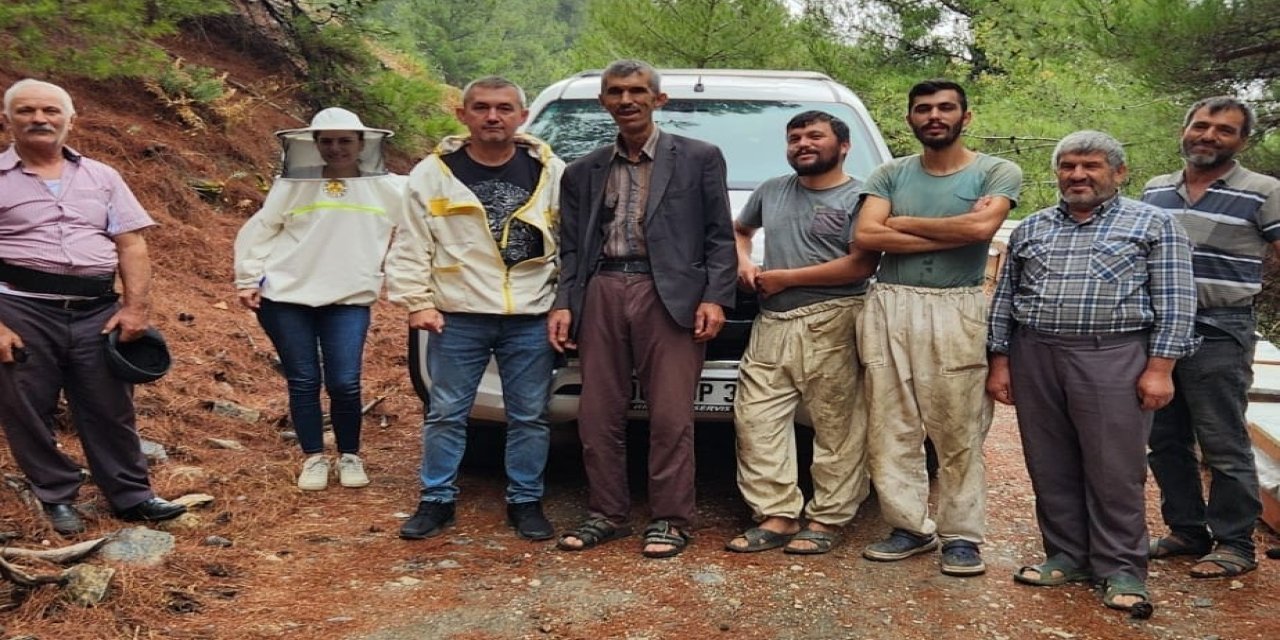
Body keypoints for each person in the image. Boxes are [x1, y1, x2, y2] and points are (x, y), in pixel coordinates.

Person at [987, 130, 1198, 612]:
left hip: (1114, 356)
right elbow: (1005, 298)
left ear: (1119, 173)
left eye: (1091, 165)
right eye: (1068, 166)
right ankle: (1066, 555)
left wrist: (1160, 368)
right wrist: (1001, 360)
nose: (1077, 175)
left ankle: (1121, 568)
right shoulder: (1032, 228)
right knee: (1049, 461)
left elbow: (1177, 301)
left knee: (1115, 467)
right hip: (1036, 353)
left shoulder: (1153, 224)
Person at [549, 59, 737, 558]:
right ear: (603, 102)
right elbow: (571, 247)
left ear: (659, 99)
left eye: (637, 91)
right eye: (615, 92)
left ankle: (671, 519)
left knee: (672, 416)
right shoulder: (583, 170)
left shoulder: (699, 157)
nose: (626, 100)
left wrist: (715, 296)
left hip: (669, 294)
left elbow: (720, 235)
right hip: (604, 289)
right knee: (596, 415)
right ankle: (606, 513)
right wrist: (566, 302)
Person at [0, 78, 186, 535]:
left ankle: (132, 496)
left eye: (50, 111)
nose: (39, 119)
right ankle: (56, 494)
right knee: (26, 405)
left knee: (110, 405)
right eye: (26, 111)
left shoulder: (103, 176)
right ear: (8, 120)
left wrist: (135, 308)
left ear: (69, 119)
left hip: (97, 309)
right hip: (21, 308)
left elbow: (132, 244)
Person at [853, 79, 1021, 576]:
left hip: (958, 306)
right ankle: (909, 527)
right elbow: (866, 234)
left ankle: (962, 536)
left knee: (960, 427)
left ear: (964, 117)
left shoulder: (995, 170)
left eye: (946, 108)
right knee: (890, 426)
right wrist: (950, 231)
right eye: (923, 108)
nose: (934, 115)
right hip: (890, 304)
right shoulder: (890, 172)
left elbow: (979, 230)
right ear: (909, 118)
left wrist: (901, 225)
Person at [387, 77, 565, 541]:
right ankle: (436, 500)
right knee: (446, 412)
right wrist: (416, 302)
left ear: (522, 117)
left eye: (504, 108)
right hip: (458, 313)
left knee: (529, 415)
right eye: (481, 108)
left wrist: (566, 303)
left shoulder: (550, 170)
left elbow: (569, 243)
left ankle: (525, 501)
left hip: (530, 314)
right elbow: (410, 242)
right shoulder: (433, 172)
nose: (493, 116)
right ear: (463, 115)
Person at [724, 111, 879, 555]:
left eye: (815, 136)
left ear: (843, 146)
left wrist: (787, 277)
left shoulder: (861, 196)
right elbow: (741, 230)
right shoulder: (772, 190)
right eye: (794, 138)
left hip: (835, 318)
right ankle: (777, 515)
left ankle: (827, 518)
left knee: (839, 427)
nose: (803, 144)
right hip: (772, 322)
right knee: (757, 420)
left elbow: (861, 264)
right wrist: (745, 262)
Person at [1143, 96, 1280, 579]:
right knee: (1165, 439)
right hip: (1158, 330)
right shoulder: (1156, 189)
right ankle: (1186, 531)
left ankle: (1235, 543)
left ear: (1242, 141)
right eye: (1201, 126)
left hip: (1220, 328)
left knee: (1222, 440)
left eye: (1224, 130)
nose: (1208, 136)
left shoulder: (1263, 191)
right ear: (1185, 130)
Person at [234, 107, 403, 491]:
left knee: (345, 382)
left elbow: (433, 199)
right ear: (314, 144)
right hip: (285, 295)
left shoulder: (389, 187)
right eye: (326, 141)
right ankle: (313, 457)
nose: (336, 148)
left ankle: (350, 455)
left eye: (345, 140)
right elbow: (261, 229)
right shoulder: (294, 183)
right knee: (304, 379)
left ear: (362, 144)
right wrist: (247, 278)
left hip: (348, 298)